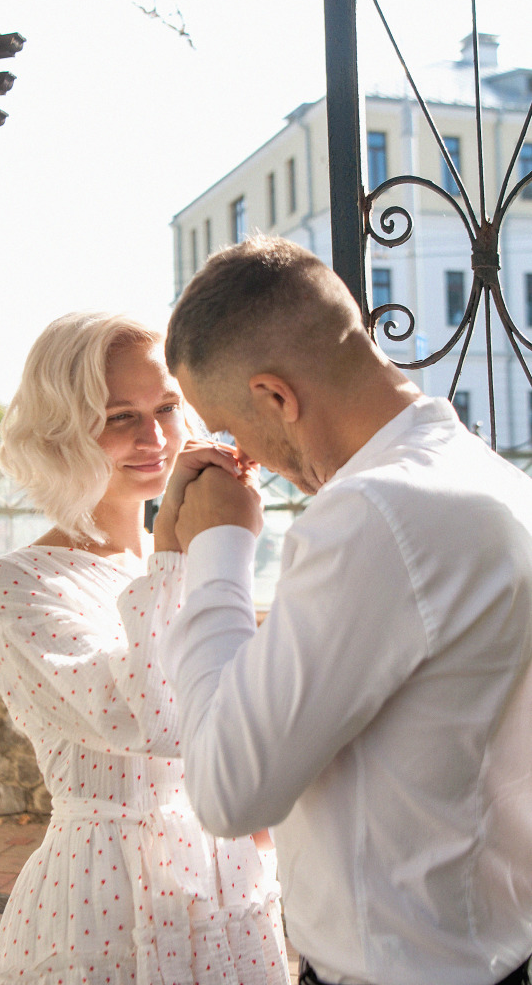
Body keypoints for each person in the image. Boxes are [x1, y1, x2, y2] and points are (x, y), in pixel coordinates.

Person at [155, 235, 532, 985]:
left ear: (275, 396)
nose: (244, 458)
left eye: (230, 428)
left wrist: (216, 549)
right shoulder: (486, 475)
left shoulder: (374, 514)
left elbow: (229, 790)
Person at [0, 311, 290, 985]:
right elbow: (154, 720)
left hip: (226, 888)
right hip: (100, 900)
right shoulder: (13, 584)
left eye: (167, 407)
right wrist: (180, 551)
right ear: (62, 433)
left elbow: (238, 723)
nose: (155, 437)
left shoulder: (175, 570)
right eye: (121, 416)